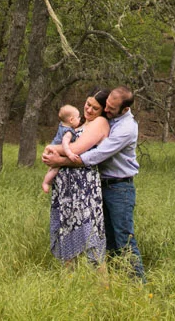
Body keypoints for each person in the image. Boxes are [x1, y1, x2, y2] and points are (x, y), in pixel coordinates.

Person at [43, 85, 145, 281]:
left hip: (119, 186)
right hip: (101, 185)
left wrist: (59, 159)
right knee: (107, 239)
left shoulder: (125, 128)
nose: (106, 111)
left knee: (123, 238)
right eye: (104, 106)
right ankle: (115, 281)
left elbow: (96, 155)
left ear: (124, 109)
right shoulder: (106, 119)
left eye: (108, 109)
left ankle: (138, 284)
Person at [44, 89, 111, 265]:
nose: (88, 110)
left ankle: (102, 287)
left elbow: (77, 149)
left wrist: (52, 151)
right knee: (66, 232)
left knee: (90, 235)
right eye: (88, 104)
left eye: (95, 108)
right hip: (66, 187)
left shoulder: (100, 123)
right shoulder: (78, 124)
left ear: (103, 111)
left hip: (84, 186)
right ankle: (70, 287)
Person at [41, 104, 81, 193]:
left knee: (52, 168)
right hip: (56, 151)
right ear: (71, 120)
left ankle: (48, 180)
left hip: (52, 147)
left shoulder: (62, 125)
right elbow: (65, 144)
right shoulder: (68, 132)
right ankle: (46, 183)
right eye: (78, 117)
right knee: (55, 169)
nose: (79, 119)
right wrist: (70, 154)